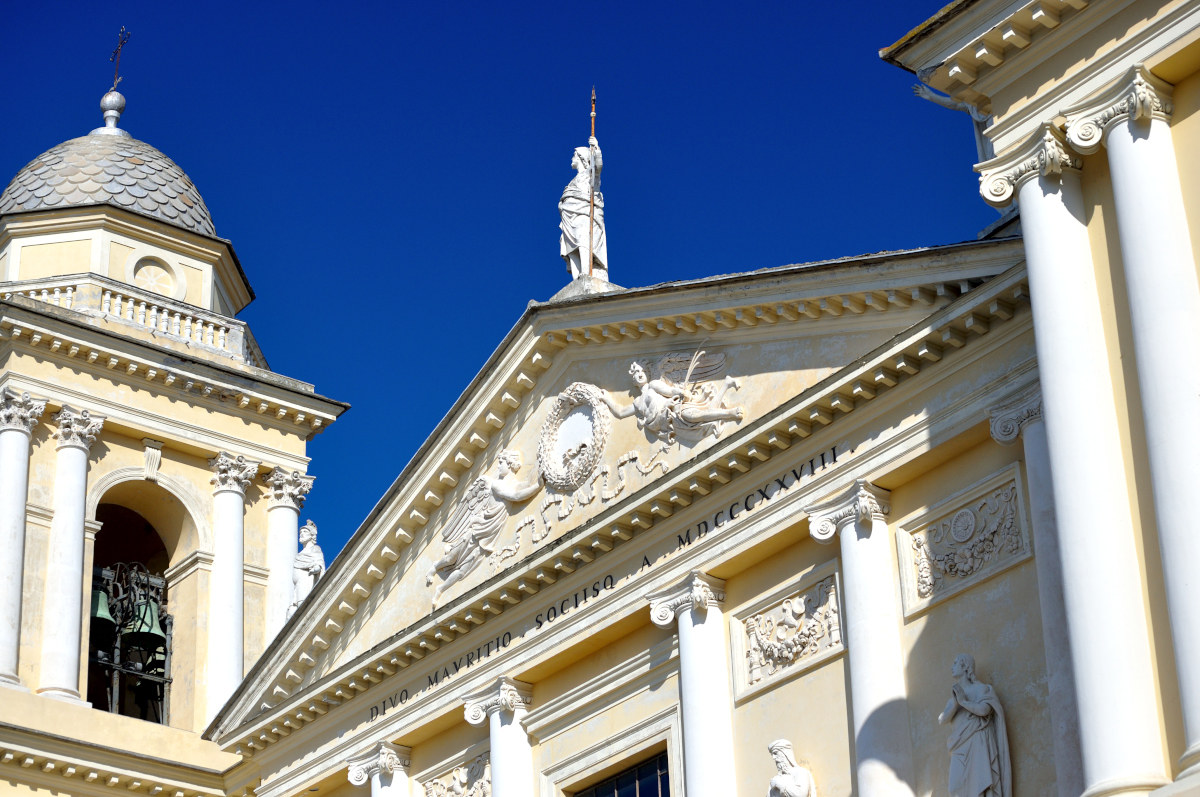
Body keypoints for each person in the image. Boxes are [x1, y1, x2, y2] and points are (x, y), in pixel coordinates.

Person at [426, 450, 541, 605]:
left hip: (489, 535)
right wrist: (538, 487)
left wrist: (541, 464)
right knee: (451, 558)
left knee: (463, 571)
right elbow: (515, 496)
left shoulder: (514, 484)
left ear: (510, 464)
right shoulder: (496, 484)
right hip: (478, 530)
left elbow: (526, 484)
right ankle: (435, 567)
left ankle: (441, 589)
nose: (498, 466)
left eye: (501, 463)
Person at [599, 360, 742, 444]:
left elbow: (669, 391)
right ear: (633, 380)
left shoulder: (653, 385)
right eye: (636, 373)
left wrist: (679, 392)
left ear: (647, 373)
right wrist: (607, 399)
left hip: (674, 412)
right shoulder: (637, 402)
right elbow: (621, 412)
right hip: (669, 425)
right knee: (702, 417)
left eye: (641, 370)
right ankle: (727, 385)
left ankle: (730, 413)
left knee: (696, 416)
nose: (639, 374)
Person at [938, 653, 1012, 797]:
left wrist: (964, 702)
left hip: (977, 742)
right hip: (959, 746)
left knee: (980, 786)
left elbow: (985, 710)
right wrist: (955, 703)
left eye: (955, 663)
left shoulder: (982, 689)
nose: (951, 667)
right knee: (954, 788)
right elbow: (942, 720)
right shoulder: (953, 698)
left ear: (965, 666)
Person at [559, 136, 608, 281]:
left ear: (581, 157)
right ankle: (577, 279)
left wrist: (596, 149)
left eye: (575, 155)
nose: (572, 158)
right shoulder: (572, 182)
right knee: (570, 249)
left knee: (582, 240)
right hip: (568, 218)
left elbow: (598, 167)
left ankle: (586, 271)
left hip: (582, 214)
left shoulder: (589, 175)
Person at [288, 521, 325, 618]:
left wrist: (315, 569)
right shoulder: (299, 554)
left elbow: (319, 563)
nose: (301, 534)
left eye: (305, 532)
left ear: (311, 535)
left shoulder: (315, 549)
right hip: (297, 586)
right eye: (301, 532)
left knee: (302, 609)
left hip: (305, 581)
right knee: (291, 612)